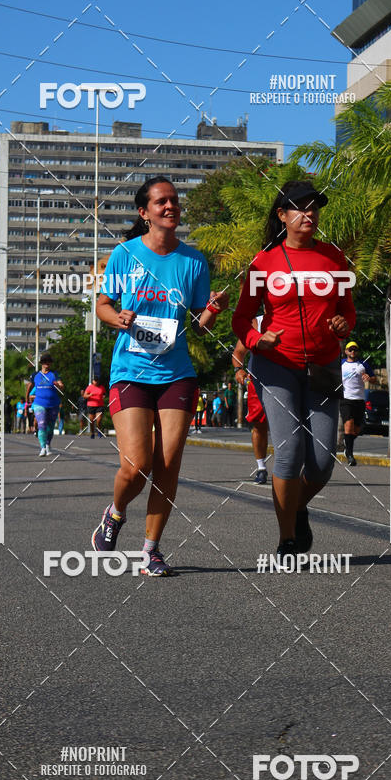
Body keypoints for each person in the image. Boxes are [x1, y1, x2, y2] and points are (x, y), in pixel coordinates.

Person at [91, 175, 228, 576]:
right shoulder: (124, 255)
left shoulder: (193, 261)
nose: (171, 207)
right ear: (144, 212)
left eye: (174, 201)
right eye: (161, 202)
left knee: (168, 463)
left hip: (177, 373)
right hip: (131, 371)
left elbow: (200, 325)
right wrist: (118, 317)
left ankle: (151, 550)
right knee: (137, 465)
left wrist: (214, 309)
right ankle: (115, 514)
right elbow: (102, 305)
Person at [232, 180, 356, 558]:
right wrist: (256, 341)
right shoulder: (264, 261)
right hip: (276, 366)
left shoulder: (334, 257)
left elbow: (347, 309)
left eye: (314, 208)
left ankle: (297, 506)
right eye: (299, 208)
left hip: (322, 366)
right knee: (289, 452)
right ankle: (287, 540)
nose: (309, 214)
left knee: (321, 461)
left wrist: (342, 325)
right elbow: (240, 319)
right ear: (282, 216)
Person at [232, 319, 269, 485]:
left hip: (289, 381)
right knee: (259, 425)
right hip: (258, 381)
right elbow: (239, 351)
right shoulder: (257, 322)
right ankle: (261, 467)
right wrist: (238, 369)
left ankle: (293, 467)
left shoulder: (296, 317)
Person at [340, 341, 376, 466]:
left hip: (359, 400)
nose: (353, 352)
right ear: (346, 351)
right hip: (346, 399)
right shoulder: (341, 364)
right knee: (349, 426)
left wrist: (369, 378)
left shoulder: (363, 364)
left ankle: (347, 441)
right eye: (350, 350)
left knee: (357, 430)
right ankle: (349, 455)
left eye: (355, 350)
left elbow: (374, 379)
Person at [26, 354, 64, 457]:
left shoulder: (54, 374)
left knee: (50, 427)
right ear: (41, 363)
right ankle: (42, 447)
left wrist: (58, 385)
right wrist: (27, 399)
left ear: (51, 363)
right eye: (44, 361)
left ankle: (48, 444)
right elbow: (29, 386)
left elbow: (61, 386)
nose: (47, 363)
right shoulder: (35, 375)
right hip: (39, 403)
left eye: (49, 361)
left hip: (53, 404)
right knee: (42, 425)